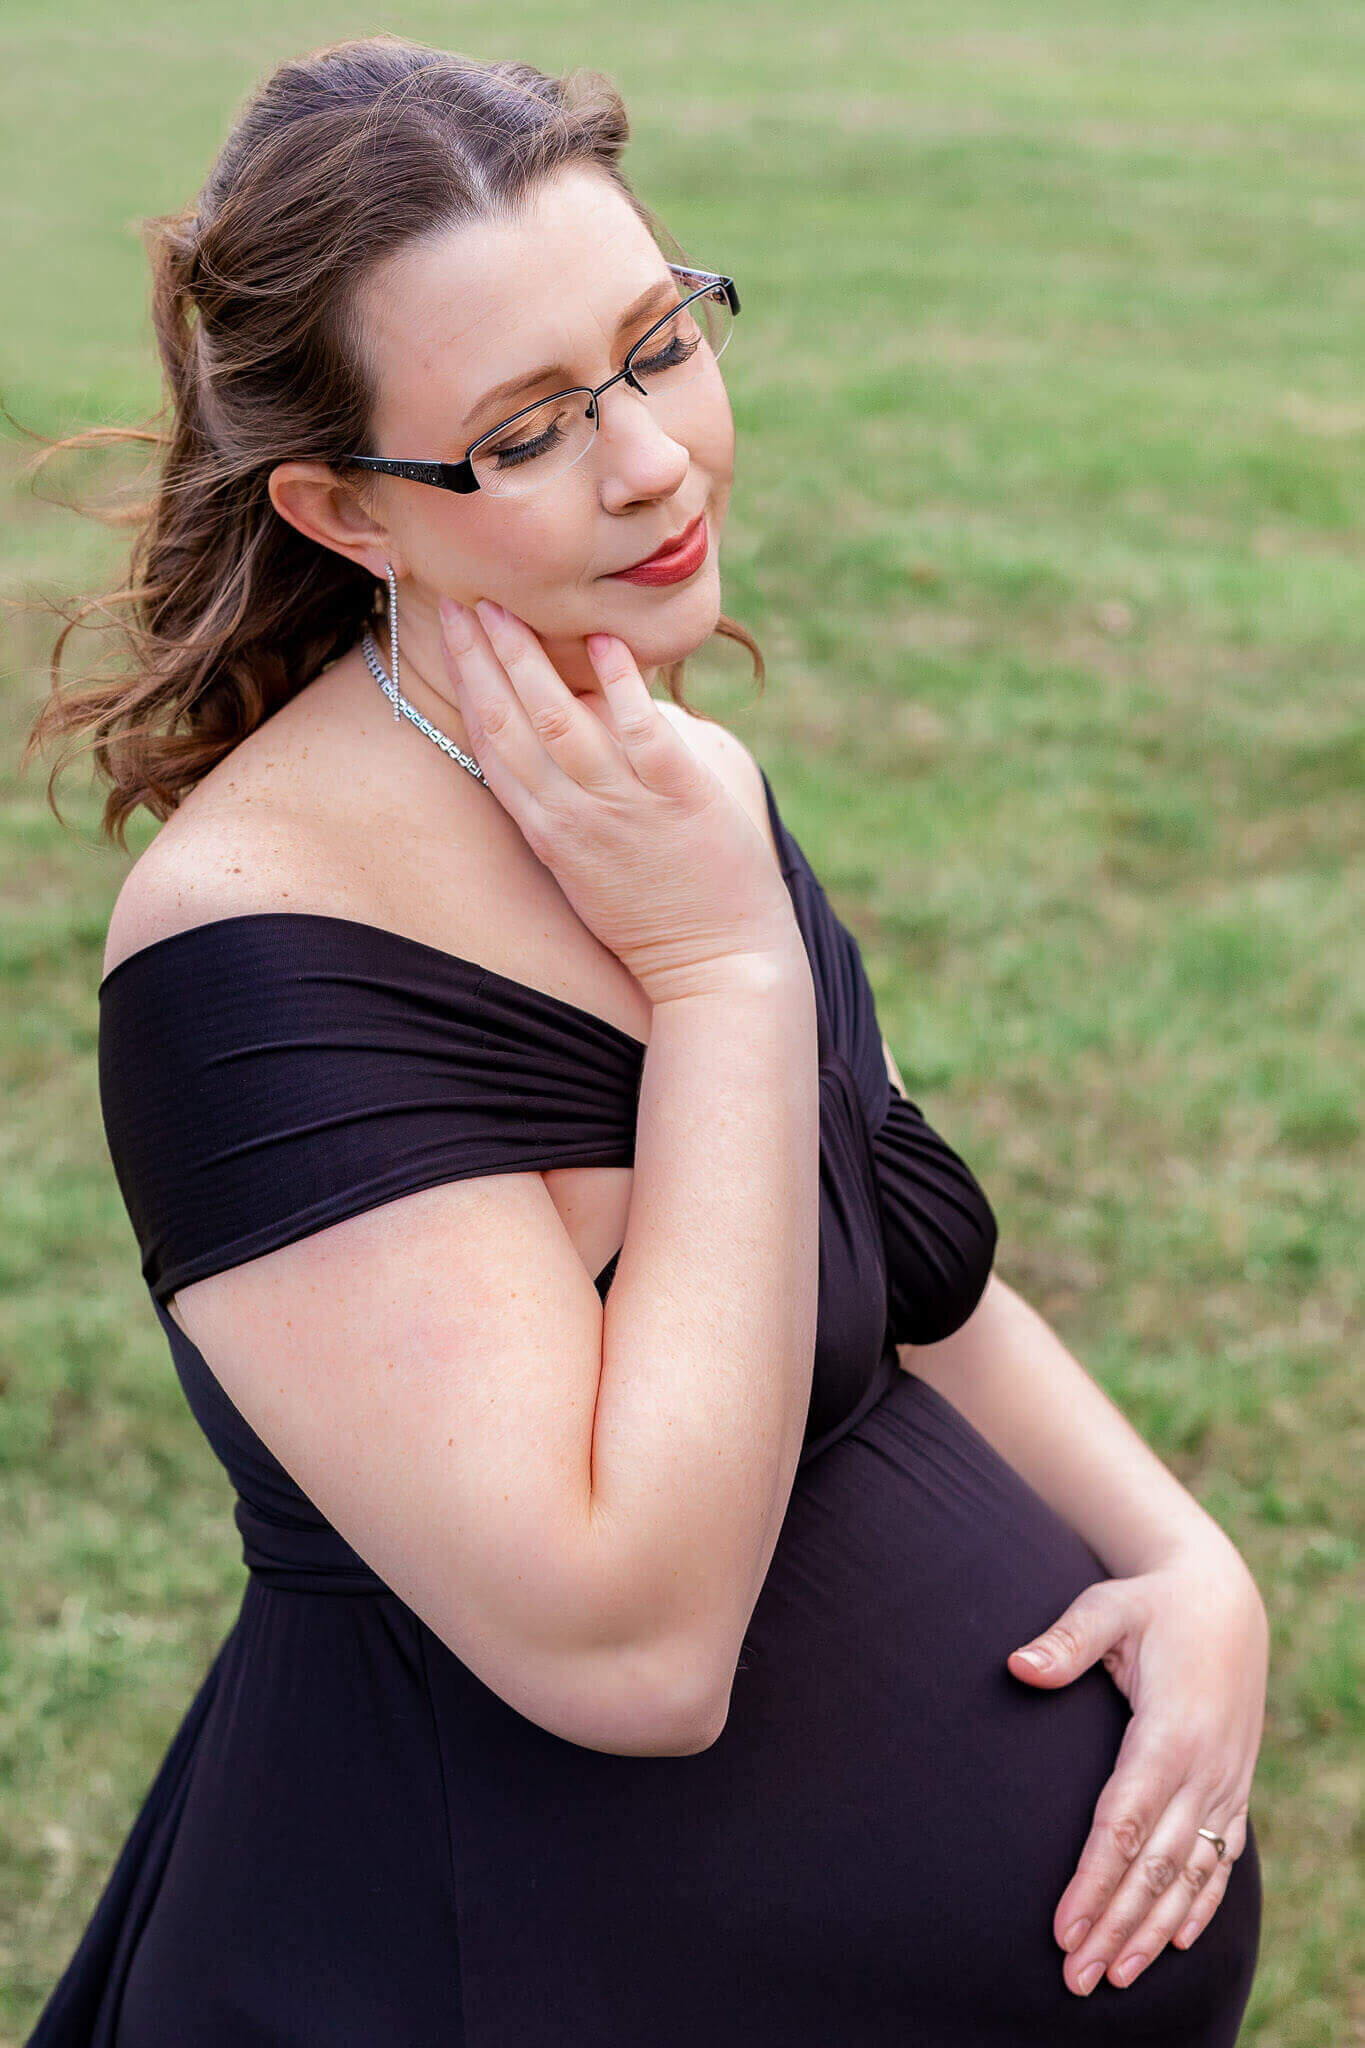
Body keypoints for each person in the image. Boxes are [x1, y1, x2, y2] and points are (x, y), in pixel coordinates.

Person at [22, 35, 1265, 2047]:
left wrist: (1192, 1563)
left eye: (655, 346)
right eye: (520, 431)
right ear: (342, 506)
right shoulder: (245, 951)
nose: (652, 462)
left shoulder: (647, 772)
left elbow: (897, 1273)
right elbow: (631, 1642)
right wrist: (717, 975)